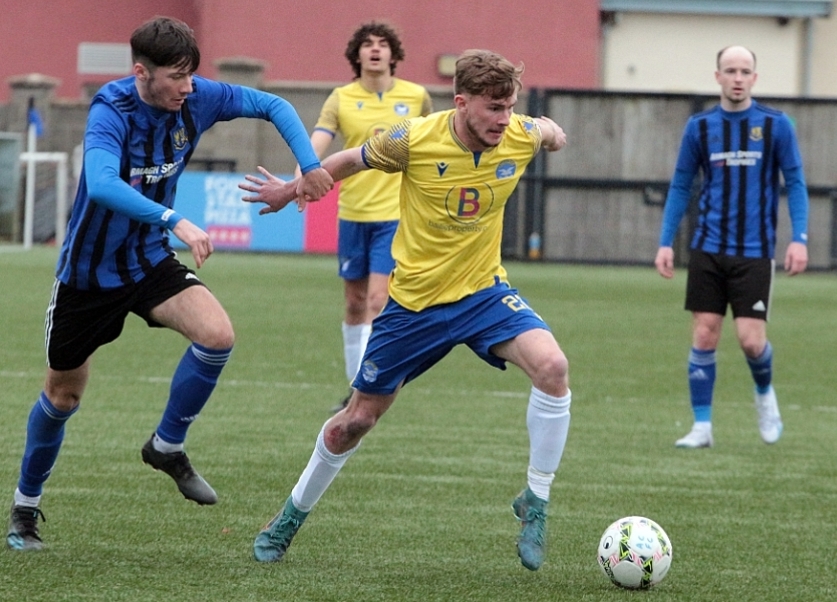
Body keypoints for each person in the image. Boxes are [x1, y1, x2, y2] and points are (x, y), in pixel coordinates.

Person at [5, 16, 333, 552]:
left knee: (217, 335)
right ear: (142, 73)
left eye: (191, 75)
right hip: (88, 276)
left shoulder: (198, 98)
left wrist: (309, 163)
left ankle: (166, 445)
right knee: (63, 396)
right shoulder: (111, 111)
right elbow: (103, 184)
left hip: (148, 259)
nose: (187, 87)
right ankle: (24, 508)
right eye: (177, 77)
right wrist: (174, 219)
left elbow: (274, 105)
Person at [240, 49, 569, 571]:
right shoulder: (412, 139)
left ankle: (537, 500)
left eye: (510, 107)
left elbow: (549, 132)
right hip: (414, 305)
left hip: (483, 294)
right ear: (461, 103)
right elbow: (348, 161)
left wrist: (550, 131)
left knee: (553, 368)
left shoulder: (520, 133)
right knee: (353, 422)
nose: (504, 120)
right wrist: (292, 188)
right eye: (493, 108)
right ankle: (288, 518)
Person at [655, 45, 809, 449]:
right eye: (730, 70)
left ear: (754, 78)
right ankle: (702, 427)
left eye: (744, 71)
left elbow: (795, 183)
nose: (737, 78)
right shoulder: (700, 127)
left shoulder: (776, 125)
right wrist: (665, 241)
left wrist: (800, 238)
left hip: (754, 251)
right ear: (718, 77)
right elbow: (681, 185)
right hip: (707, 247)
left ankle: (764, 394)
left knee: (751, 341)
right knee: (704, 334)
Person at [303, 22, 432, 412]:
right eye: (367, 44)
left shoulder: (416, 96)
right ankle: (353, 386)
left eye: (382, 44)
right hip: (353, 213)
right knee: (355, 302)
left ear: (394, 54)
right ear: (356, 54)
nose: (375, 50)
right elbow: (319, 141)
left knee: (378, 300)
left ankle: (368, 385)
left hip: (395, 215)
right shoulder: (341, 98)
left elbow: (434, 141)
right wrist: (300, 175)